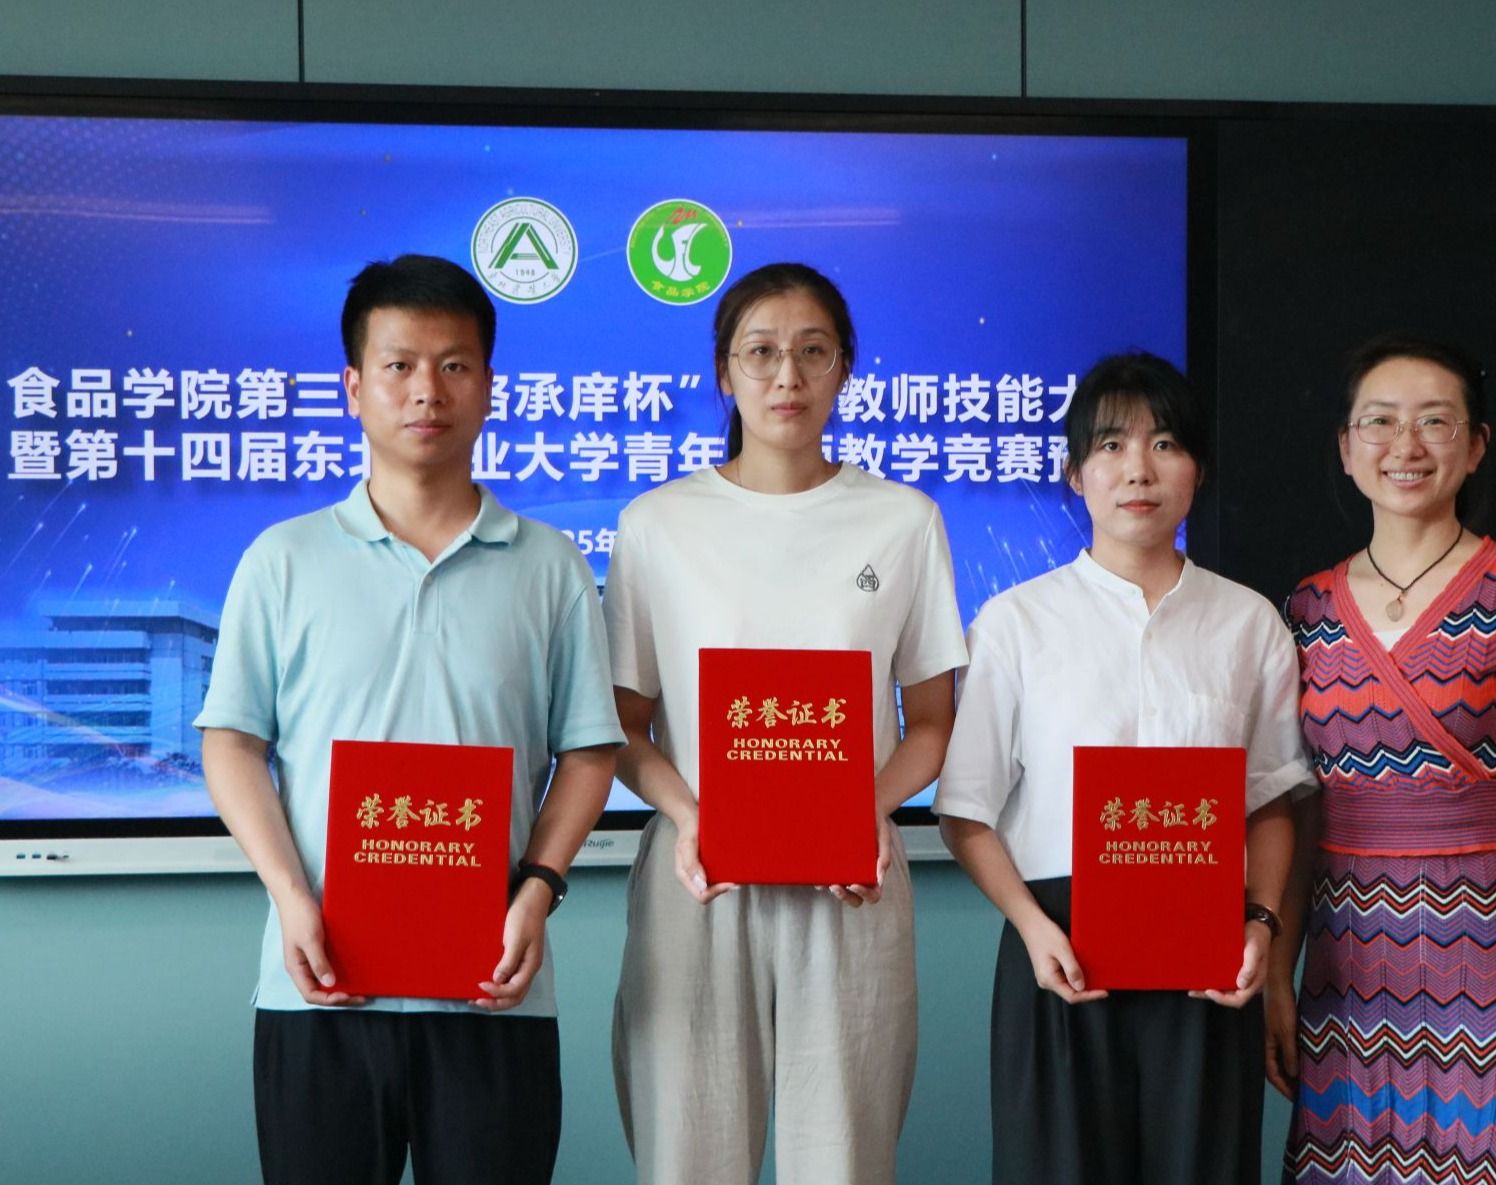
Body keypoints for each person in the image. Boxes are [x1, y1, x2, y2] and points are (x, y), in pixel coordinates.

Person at [196, 254, 624, 1185]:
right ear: (354, 387)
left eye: (455, 364)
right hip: (320, 986)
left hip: (493, 988)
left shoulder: (550, 565)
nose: (428, 390)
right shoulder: (283, 559)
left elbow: (589, 750)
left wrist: (539, 887)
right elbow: (231, 742)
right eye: (399, 365)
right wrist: (291, 896)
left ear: (489, 386)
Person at [602, 262, 968, 1185]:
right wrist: (691, 816)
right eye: (760, 353)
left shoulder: (903, 520)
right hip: (698, 875)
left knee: (843, 1160)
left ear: (845, 366)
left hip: (850, 879)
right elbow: (624, 727)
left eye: (813, 352)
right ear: (723, 373)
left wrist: (857, 812)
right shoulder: (657, 523)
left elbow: (931, 722)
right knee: (688, 1156)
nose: (787, 377)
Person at [936, 352, 1313, 1185]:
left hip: (1207, 956)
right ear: (1076, 474)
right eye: (1111, 445)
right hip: (1060, 952)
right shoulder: (1015, 622)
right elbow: (965, 811)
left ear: (1198, 469)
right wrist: (1034, 929)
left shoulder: (1249, 622)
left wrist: (1260, 925)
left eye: (1165, 443)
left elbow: (1271, 802)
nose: (1139, 468)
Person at [1269, 333, 1496, 1185]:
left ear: (1476, 444)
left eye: (1434, 421)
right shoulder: (1304, 609)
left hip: (1485, 942)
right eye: (1379, 421)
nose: (1405, 445)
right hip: (1343, 954)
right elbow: (1299, 810)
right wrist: (1276, 977)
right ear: (1346, 448)